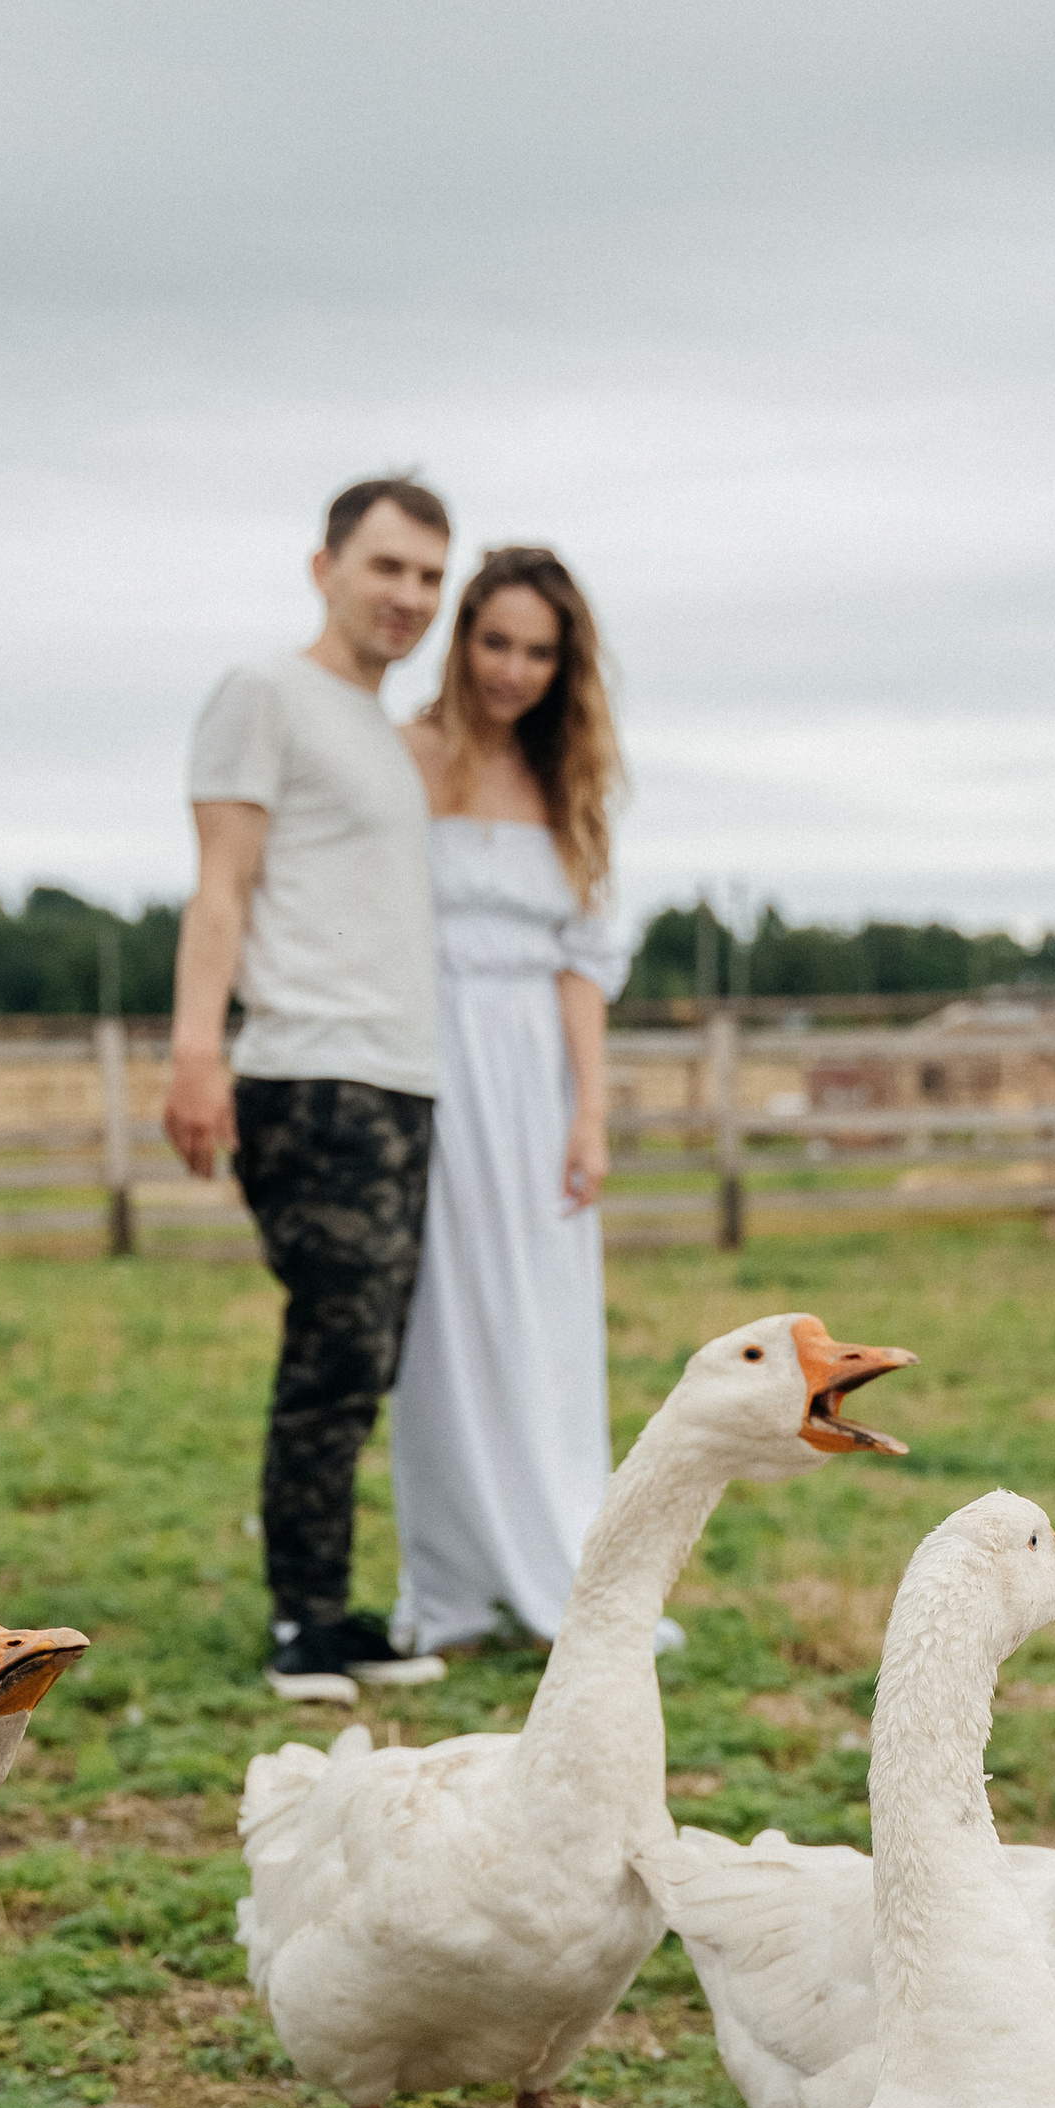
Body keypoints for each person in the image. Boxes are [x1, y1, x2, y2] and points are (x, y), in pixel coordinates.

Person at [166, 473, 455, 1699]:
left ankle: (335, 1613)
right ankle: (302, 1621)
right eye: (387, 567)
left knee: (372, 1354)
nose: (410, 596)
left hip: (400, 1074)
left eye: (431, 577)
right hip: (307, 1069)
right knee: (332, 1351)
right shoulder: (263, 695)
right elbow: (221, 884)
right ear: (325, 564)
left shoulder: (384, 737)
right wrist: (194, 1051)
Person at [391, 545, 660, 1659]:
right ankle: (450, 1586)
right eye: (495, 642)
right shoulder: (400, 758)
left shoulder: (571, 784)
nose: (512, 669)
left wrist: (588, 1111)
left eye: (539, 651)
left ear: (566, 665)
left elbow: (581, 965)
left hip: (534, 1074)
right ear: (461, 641)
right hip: (422, 1054)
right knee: (439, 1325)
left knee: (547, 1324)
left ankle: (561, 1563)